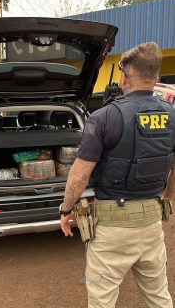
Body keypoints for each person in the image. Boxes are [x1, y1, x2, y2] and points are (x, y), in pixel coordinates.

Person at [59, 42, 174, 308]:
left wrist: (66, 209)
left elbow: (79, 176)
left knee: (102, 302)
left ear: (123, 77)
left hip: (112, 229)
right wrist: (168, 197)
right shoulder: (172, 115)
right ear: (156, 77)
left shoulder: (104, 117)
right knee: (159, 298)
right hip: (152, 224)